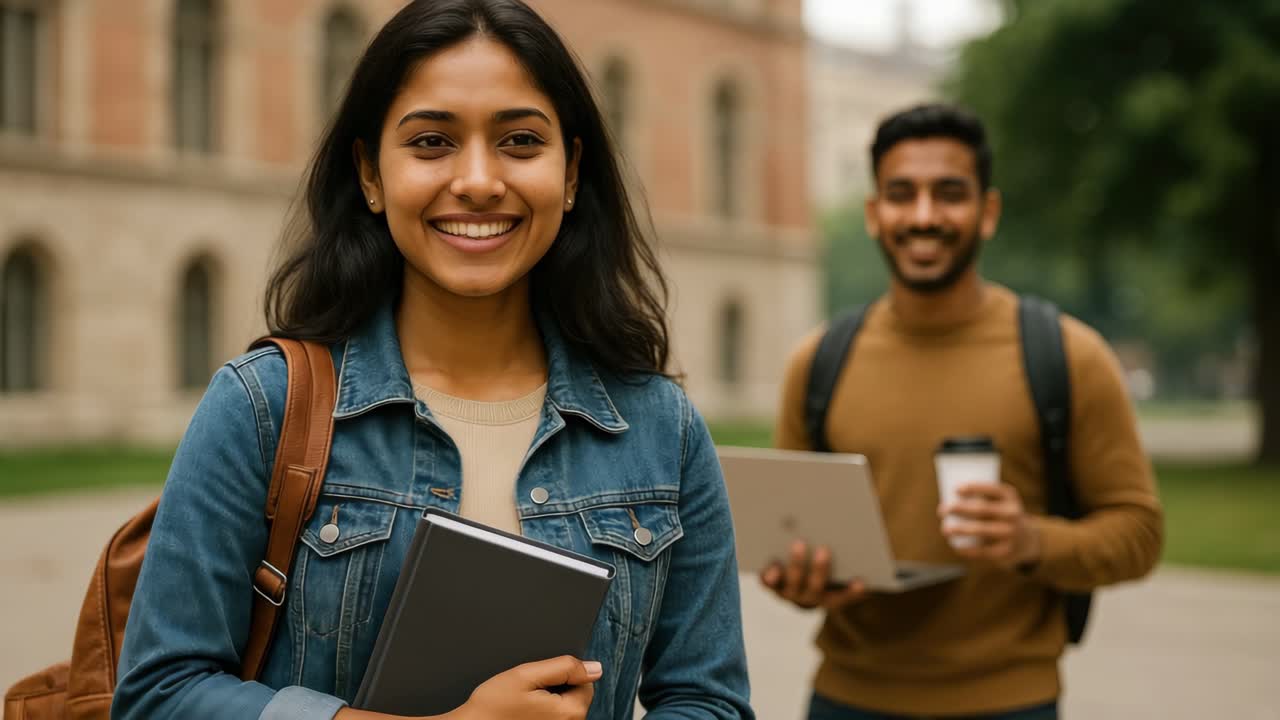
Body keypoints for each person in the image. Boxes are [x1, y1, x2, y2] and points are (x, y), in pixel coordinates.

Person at [112, 2, 753, 718]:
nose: (478, 180)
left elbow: (708, 701)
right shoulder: (261, 406)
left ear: (572, 172)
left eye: (518, 140)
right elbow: (157, 695)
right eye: (431, 142)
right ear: (370, 175)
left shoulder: (662, 429)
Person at [763, 103, 1164, 719]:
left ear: (988, 212)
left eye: (949, 194)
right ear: (875, 214)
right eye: (902, 194)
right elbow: (792, 540)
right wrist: (801, 580)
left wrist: (1032, 539)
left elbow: (1139, 534)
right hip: (846, 699)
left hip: (1011, 703)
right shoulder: (817, 362)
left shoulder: (1068, 355)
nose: (924, 216)